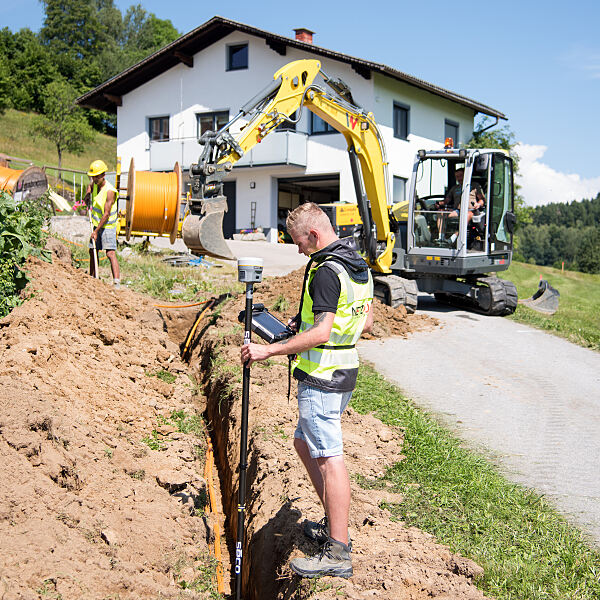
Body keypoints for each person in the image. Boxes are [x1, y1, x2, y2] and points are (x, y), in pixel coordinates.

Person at [240, 202, 374, 579]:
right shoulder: (356, 263)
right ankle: (335, 522)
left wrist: (270, 349)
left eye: (299, 242)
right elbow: (366, 317)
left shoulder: (327, 271)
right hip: (344, 369)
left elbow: (322, 332)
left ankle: (338, 551)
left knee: (330, 457)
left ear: (313, 235)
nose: (298, 250)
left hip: (322, 376)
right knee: (304, 442)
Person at [84, 159, 120, 287]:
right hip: (97, 225)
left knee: (110, 253)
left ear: (103, 175)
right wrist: (88, 195)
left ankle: (116, 282)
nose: (94, 179)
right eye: (92, 177)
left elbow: (106, 214)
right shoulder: (94, 184)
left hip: (107, 226)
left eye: (96, 177)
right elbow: (90, 185)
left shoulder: (109, 191)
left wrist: (96, 231)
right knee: (93, 250)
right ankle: (93, 278)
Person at [435, 167, 485, 243]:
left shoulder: (474, 185)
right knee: (441, 213)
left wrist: (478, 204)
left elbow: (482, 199)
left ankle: (453, 238)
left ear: (466, 175)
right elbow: (447, 200)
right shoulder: (455, 188)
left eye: (461, 176)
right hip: (458, 210)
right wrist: (439, 203)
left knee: (466, 216)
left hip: (471, 211)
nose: (459, 178)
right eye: (457, 177)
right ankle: (441, 238)